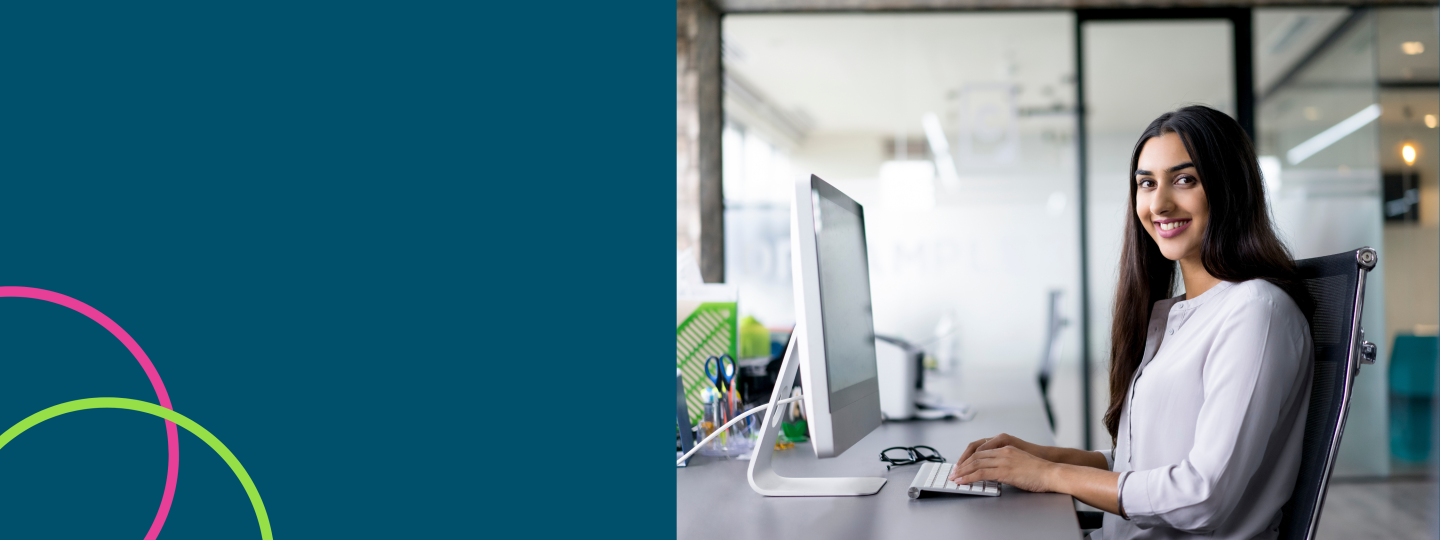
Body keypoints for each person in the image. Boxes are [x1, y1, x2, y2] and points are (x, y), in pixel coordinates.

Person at [948, 105, 1314, 540]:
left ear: (1229, 188)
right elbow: (1144, 467)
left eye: (1185, 180)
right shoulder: (1181, 313)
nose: (1159, 203)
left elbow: (1201, 495)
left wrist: (1048, 474)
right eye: (1146, 183)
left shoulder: (1255, 311)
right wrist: (1039, 457)